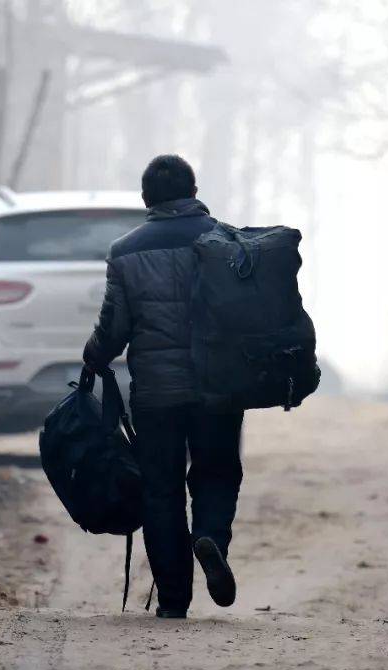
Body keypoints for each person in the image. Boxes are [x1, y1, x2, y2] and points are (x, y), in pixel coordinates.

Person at [82, 154, 244, 619]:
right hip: (218, 389)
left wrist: (93, 357)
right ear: (194, 192)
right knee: (215, 471)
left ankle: (174, 601)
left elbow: (113, 330)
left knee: (161, 489)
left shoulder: (126, 251)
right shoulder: (227, 241)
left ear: (146, 199)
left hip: (155, 394)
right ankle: (210, 535)